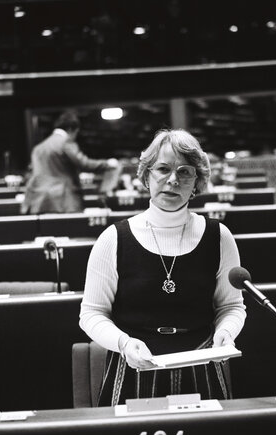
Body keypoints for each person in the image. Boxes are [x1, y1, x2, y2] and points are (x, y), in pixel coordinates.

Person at [79, 128, 246, 405]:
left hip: (201, 369)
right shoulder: (113, 238)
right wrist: (123, 343)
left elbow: (231, 307)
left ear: (197, 182)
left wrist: (226, 334)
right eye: (163, 169)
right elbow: (92, 314)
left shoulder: (220, 236)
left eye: (184, 172)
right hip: (133, 371)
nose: (172, 180)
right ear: (146, 176)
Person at [21, 110, 118, 214]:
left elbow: (32, 172)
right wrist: (108, 163)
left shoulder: (38, 148)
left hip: (39, 201)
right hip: (64, 201)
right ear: (72, 129)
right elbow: (84, 164)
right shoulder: (66, 141)